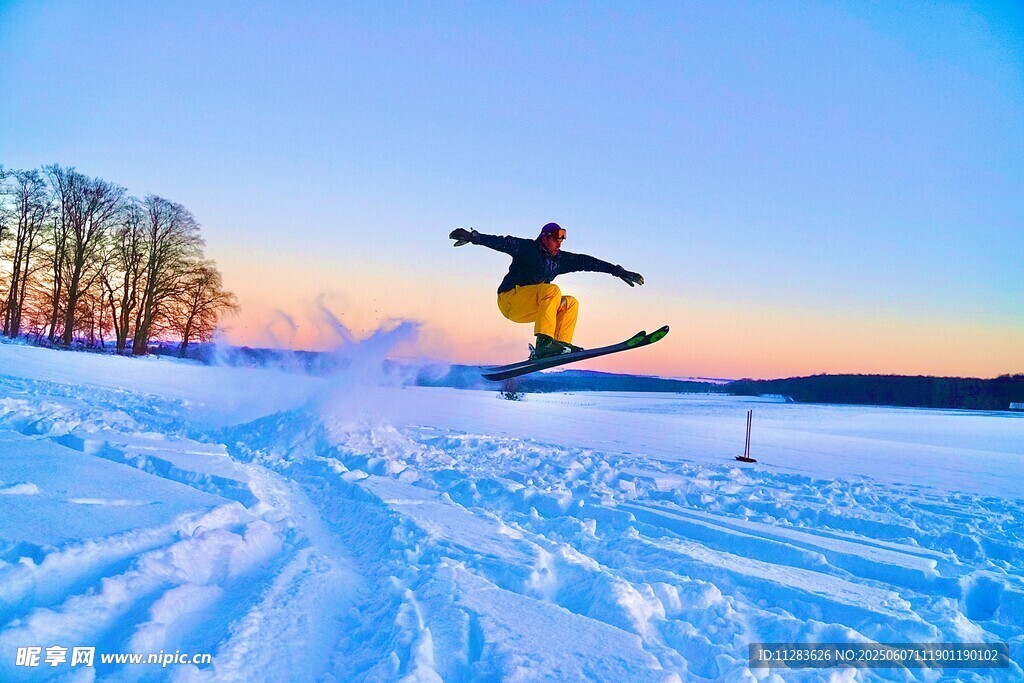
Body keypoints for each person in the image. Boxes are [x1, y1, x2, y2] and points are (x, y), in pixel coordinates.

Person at [449, 222, 644, 359]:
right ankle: (544, 344)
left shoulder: (560, 260)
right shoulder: (528, 248)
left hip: (530, 307)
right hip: (510, 299)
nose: (560, 244)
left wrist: (618, 271)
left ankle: (560, 346)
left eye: (562, 240)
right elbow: (503, 242)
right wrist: (474, 237)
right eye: (556, 239)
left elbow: (588, 261)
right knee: (552, 291)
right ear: (544, 238)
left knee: (570, 303)